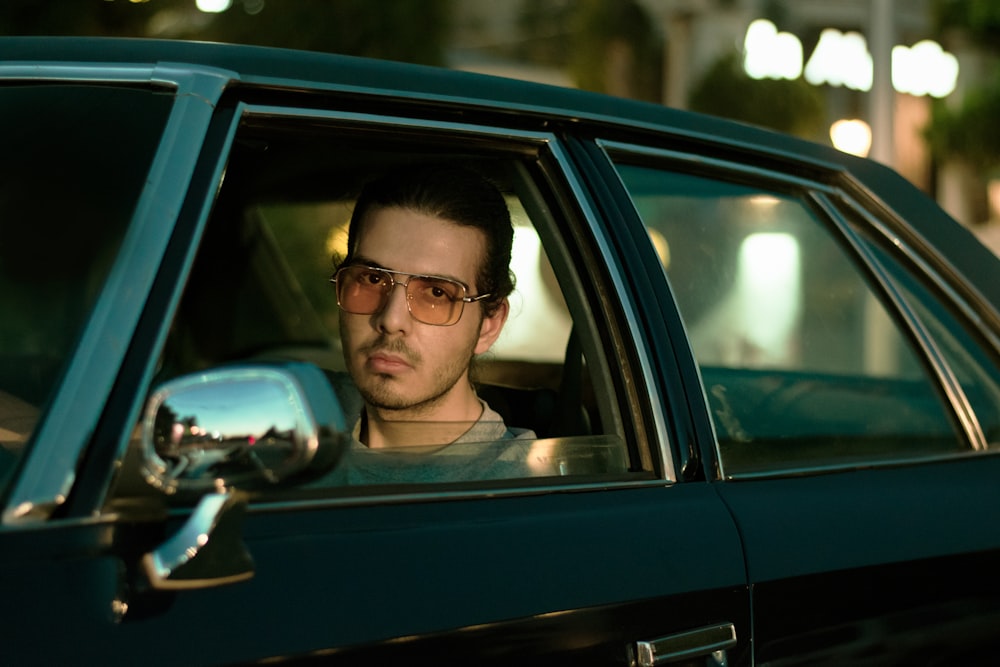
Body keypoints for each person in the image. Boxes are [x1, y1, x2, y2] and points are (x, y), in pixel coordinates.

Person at [324, 166, 538, 484]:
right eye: (371, 278)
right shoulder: (292, 413)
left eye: (437, 293)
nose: (391, 320)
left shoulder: (518, 491)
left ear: (489, 325)